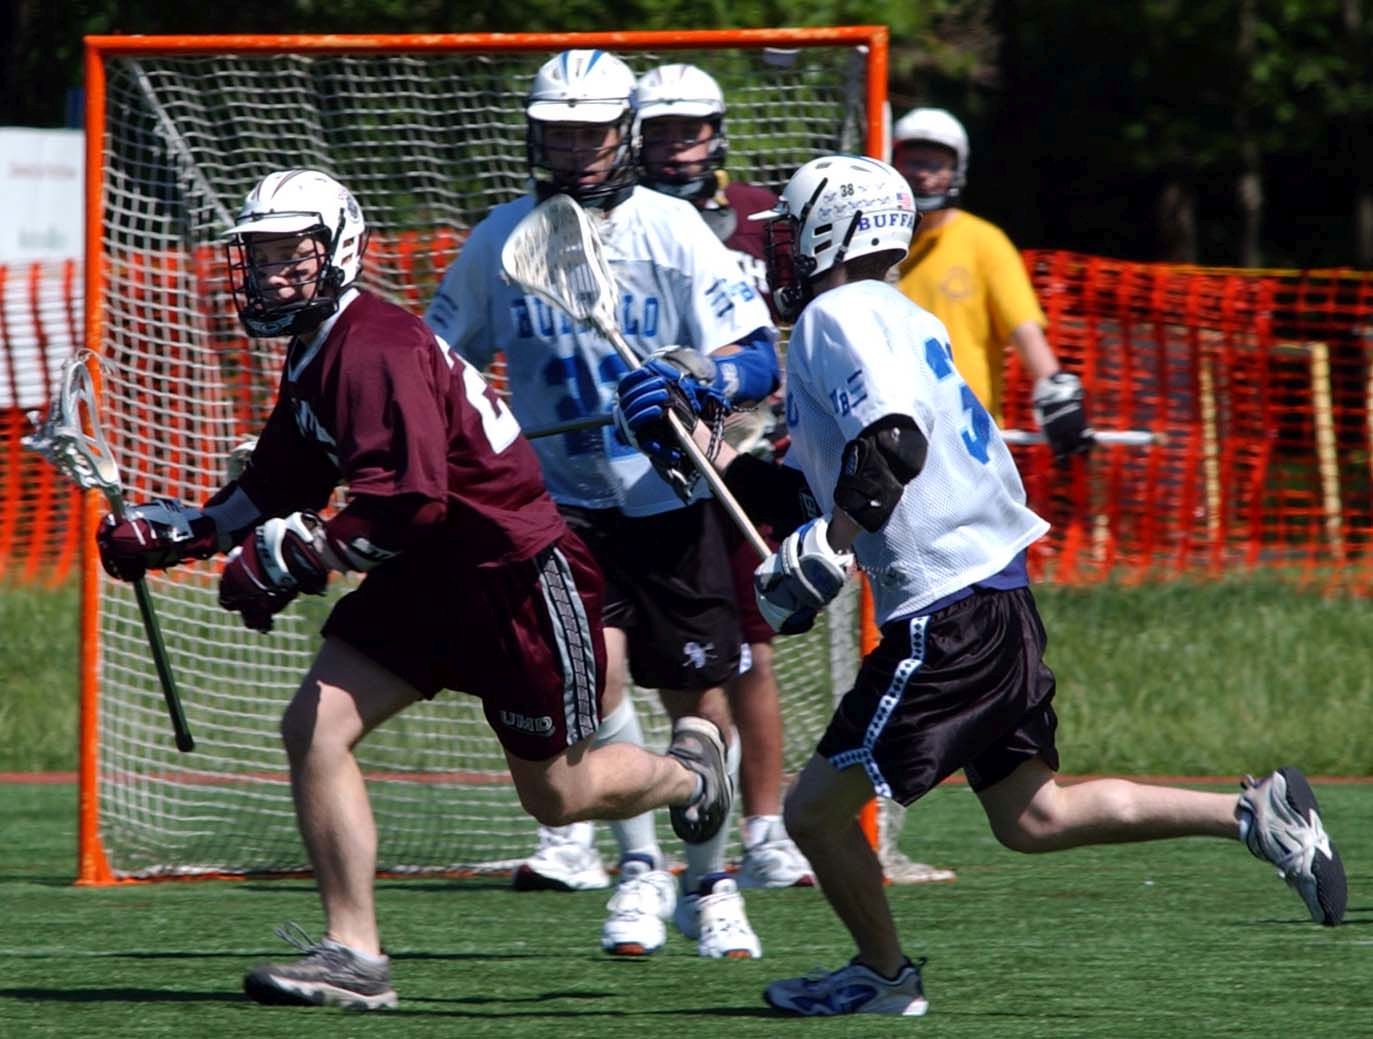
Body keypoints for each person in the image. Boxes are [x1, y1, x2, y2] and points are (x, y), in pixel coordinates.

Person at [615, 153, 1347, 1017]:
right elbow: (832, 483)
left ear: (833, 231)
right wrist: (709, 454)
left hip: (948, 612)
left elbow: (890, 448)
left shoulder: (837, 314)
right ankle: (1255, 813)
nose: (776, 250)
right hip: (994, 598)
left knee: (811, 814)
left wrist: (831, 548)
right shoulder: (893, 314)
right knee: (1032, 817)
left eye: (791, 230)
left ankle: (884, 977)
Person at [95, 167, 734, 1010]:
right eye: (260, 255)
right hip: (429, 575)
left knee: (559, 793)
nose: (271, 273)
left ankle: (692, 772)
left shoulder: (374, 346)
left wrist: (296, 559)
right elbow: (279, 480)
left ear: (338, 251)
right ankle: (355, 954)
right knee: (314, 725)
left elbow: (408, 503)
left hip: (512, 576)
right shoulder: (319, 346)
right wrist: (188, 531)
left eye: (291, 254)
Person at [425, 49, 778, 959]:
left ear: (623, 133)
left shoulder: (672, 228)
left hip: (669, 494)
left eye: (591, 133)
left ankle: (709, 881)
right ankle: (639, 866)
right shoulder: (501, 238)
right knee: (599, 681)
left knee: (697, 695)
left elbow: (754, 353)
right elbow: (433, 361)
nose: (574, 150)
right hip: (557, 506)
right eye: (557, 134)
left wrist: (701, 380)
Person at [633, 60, 812, 889]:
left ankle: (765, 829)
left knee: (751, 651)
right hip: (647, 461)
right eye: (660, 131)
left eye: (689, 129)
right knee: (649, 660)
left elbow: (790, 329)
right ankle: (623, 844)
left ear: (717, 134)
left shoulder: (757, 217)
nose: (676, 146)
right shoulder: (618, 224)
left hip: (744, 452)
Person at [890, 106, 1093, 463]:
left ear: (957, 171)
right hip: (890, 432)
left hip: (964, 440)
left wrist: (1054, 387)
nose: (922, 175)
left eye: (935, 165)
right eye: (913, 162)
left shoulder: (984, 242)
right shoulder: (879, 245)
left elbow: (1024, 331)